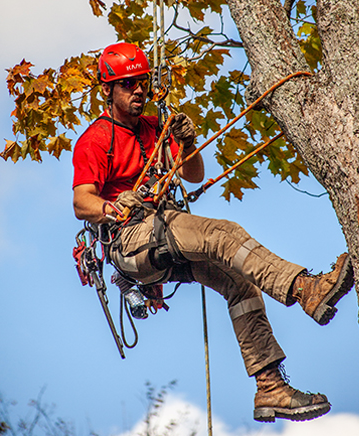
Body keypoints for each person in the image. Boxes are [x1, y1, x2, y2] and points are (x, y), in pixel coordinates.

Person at [72, 42, 354, 423]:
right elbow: (80, 202)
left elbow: (193, 174)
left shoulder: (155, 129)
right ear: (108, 89)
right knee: (224, 235)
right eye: (128, 85)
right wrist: (111, 206)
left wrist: (186, 142)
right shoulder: (96, 140)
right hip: (130, 240)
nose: (138, 91)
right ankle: (304, 288)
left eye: (142, 83)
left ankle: (270, 388)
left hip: (163, 233)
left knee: (239, 280)